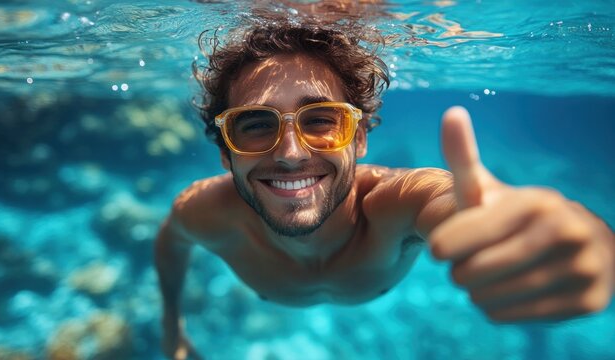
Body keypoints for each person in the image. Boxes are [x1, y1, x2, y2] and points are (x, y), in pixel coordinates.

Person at [154, 21, 614, 360]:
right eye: (254, 125)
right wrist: (173, 327)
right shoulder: (204, 213)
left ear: (359, 139)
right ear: (224, 154)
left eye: (320, 120)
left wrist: (584, 239)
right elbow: (170, 244)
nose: (291, 154)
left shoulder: (395, 205)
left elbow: (444, 200)